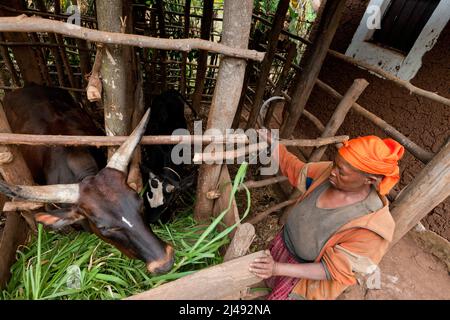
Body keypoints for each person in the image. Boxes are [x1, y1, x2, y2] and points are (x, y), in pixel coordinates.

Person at [249, 134, 404, 300]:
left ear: (369, 179)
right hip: (282, 248)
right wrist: (276, 148)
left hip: (302, 279)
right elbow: (298, 171)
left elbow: (331, 270)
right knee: (265, 285)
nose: (332, 172)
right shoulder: (326, 174)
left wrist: (278, 269)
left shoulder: (371, 225)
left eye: (341, 172)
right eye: (334, 164)